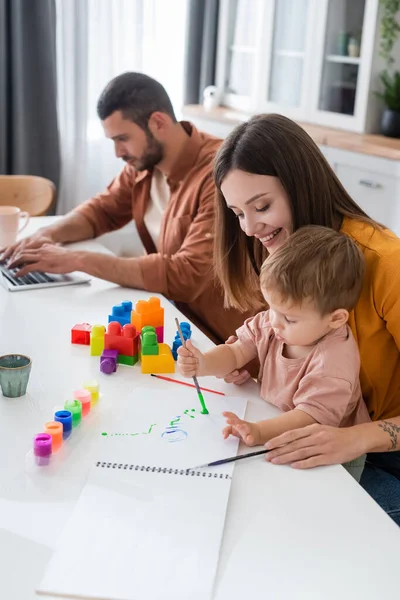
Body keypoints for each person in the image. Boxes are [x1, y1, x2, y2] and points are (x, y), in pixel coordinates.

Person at [211, 113, 400, 524]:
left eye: (261, 206)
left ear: (302, 185)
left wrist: (354, 439)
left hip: (381, 454)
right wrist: (261, 358)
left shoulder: (387, 264)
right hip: (336, 437)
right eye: (238, 212)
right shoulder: (287, 244)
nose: (249, 228)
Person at [0, 72, 251, 344]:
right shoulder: (144, 163)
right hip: (171, 317)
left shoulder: (219, 174)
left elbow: (187, 275)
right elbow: (102, 210)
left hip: (220, 339)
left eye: (122, 139)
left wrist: (77, 260)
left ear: (158, 122)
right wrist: (47, 235)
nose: (117, 153)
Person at [178, 226, 370, 481]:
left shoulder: (333, 362)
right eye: (271, 308)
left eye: (289, 318)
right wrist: (204, 363)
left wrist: (258, 431)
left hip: (332, 453)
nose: (275, 322)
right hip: (278, 421)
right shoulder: (274, 322)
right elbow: (236, 352)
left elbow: (309, 418)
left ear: (335, 319)